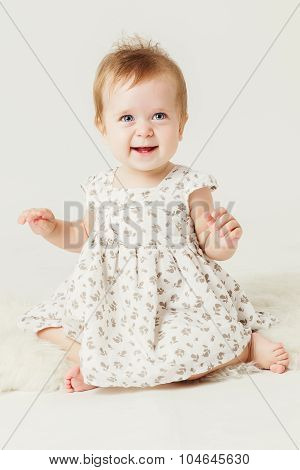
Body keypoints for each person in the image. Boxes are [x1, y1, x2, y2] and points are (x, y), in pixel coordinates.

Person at [17, 34, 290, 393]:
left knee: (186, 355)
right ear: (103, 125)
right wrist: (51, 228)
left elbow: (211, 246)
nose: (143, 128)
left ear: (182, 124)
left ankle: (246, 348)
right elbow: (84, 237)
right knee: (48, 324)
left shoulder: (190, 184)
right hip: (113, 295)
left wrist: (224, 240)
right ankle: (95, 360)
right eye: (127, 117)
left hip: (176, 300)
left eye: (159, 115)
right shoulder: (100, 186)